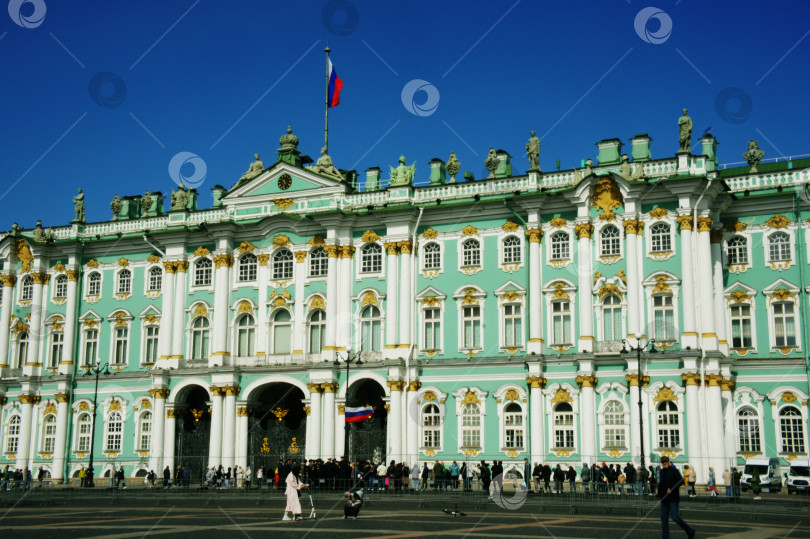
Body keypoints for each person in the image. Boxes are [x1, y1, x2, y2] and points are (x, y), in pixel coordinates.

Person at [657, 456, 696, 539]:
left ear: (668, 462)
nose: (664, 463)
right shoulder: (661, 472)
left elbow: (681, 481)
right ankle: (665, 537)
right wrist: (659, 493)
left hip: (673, 498)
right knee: (664, 519)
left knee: (675, 517)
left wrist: (671, 488)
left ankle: (690, 530)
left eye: (665, 462)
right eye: (662, 462)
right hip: (664, 499)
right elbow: (660, 484)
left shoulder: (674, 471)